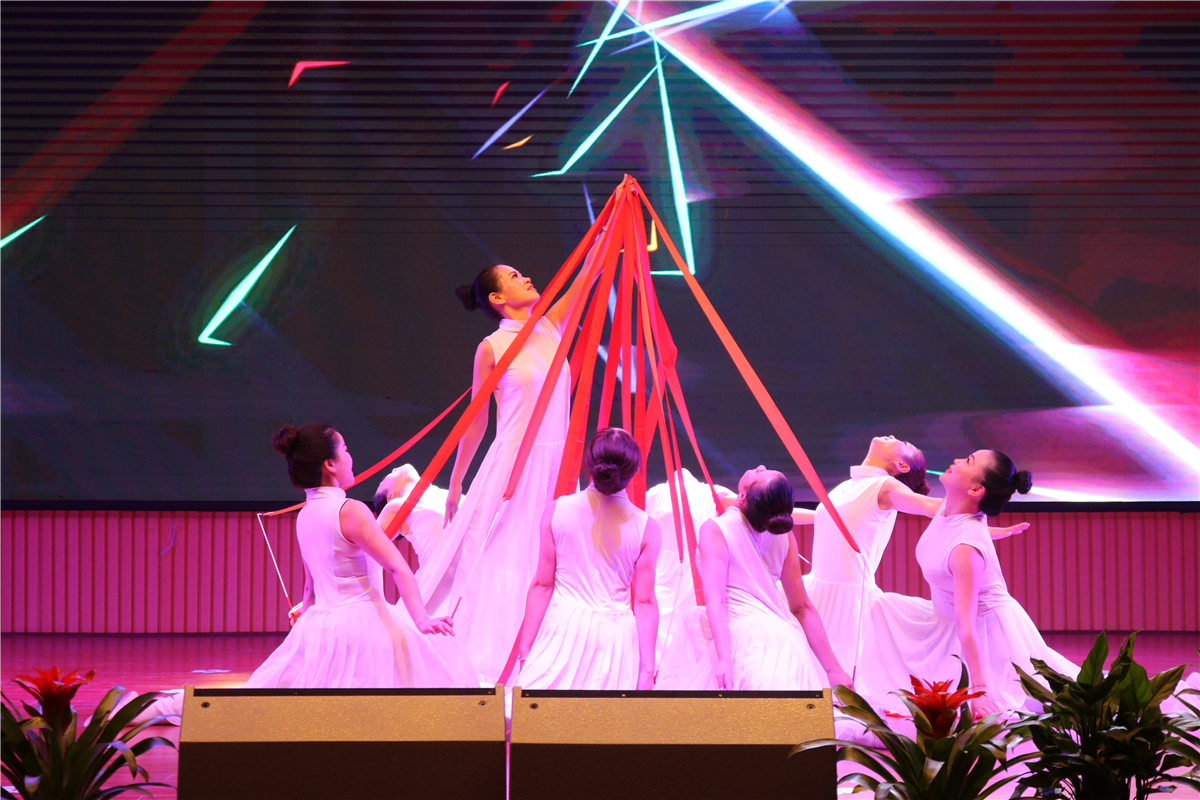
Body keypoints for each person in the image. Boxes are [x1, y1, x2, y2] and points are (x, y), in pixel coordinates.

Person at [414, 252, 601, 684]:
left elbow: (588, 273)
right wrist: (456, 481)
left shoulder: (550, 325)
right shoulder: (491, 348)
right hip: (514, 466)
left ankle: (547, 653)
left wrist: (610, 226)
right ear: (498, 298)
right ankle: (499, 656)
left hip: (558, 465)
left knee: (554, 558)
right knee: (504, 558)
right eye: (515, 276)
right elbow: (476, 420)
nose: (527, 277)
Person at [245, 423, 477, 688]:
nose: (350, 456)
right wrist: (422, 620)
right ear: (330, 464)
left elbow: (310, 590)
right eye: (345, 449)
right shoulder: (350, 511)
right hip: (363, 625)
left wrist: (304, 634)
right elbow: (398, 567)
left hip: (322, 626)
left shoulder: (305, 516)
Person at [857, 450, 1077, 716]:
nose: (957, 461)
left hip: (985, 636)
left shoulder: (965, 550)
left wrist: (979, 689)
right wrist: (990, 533)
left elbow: (967, 625)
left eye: (968, 461)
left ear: (975, 489)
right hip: (945, 621)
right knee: (881, 607)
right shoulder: (948, 510)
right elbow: (956, 528)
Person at [802, 435, 1028, 672]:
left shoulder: (885, 486)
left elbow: (932, 506)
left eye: (904, 444)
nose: (893, 437)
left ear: (901, 466)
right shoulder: (848, 486)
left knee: (827, 679)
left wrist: (978, 529)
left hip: (845, 602)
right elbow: (823, 518)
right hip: (818, 589)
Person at [659, 466, 852, 691]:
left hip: (746, 640)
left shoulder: (716, 529)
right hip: (786, 641)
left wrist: (724, 659)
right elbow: (802, 608)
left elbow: (715, 600)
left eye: (760, 473)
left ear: (743, 497)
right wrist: (833, 669)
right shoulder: (784, 536)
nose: (760, 467)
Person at [515, 428, 661, 690]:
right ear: (634, 470)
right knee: (604, 715)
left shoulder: (556, 510)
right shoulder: (646, 527)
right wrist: (647, 671)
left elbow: (542, 585)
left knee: (540, 710)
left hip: (564, 628)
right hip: (615, 637)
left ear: (589, 463)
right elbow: (644, 602)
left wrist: (525, 650)